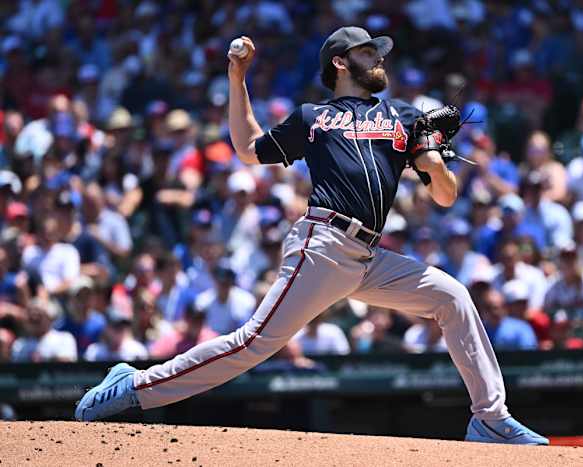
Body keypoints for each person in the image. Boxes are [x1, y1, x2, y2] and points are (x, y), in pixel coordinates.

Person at [75, 26, 548, 445]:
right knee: (254, 343)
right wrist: (237, 80)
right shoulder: (311, 117)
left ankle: (491, 419)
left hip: (367, 256)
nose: (379, 58)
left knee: (453, 298)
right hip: (323, 245)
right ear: (340, 62)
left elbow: (445, 197)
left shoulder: (404, 115)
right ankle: (135, 386)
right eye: (368, 51)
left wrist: (432, 163)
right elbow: (246, 148)